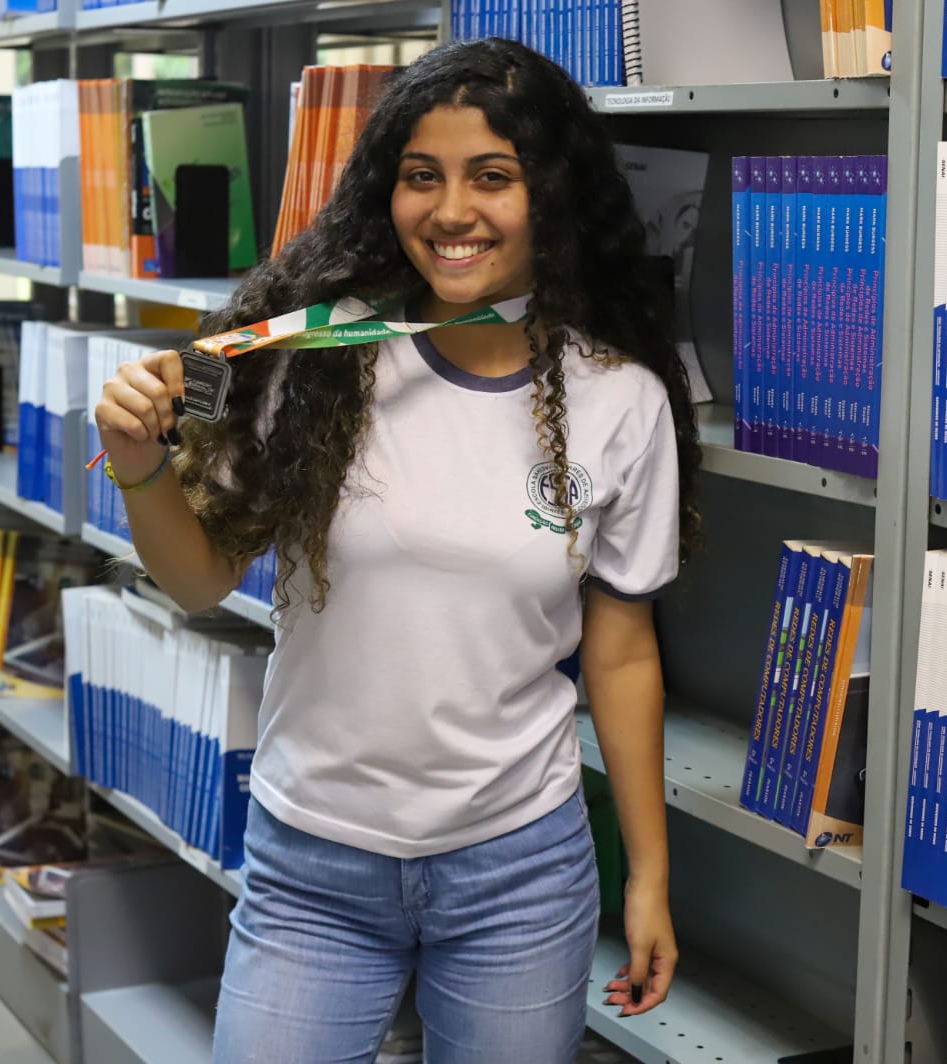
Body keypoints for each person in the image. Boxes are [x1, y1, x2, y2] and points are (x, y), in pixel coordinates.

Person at [90, 37, 703, 1064]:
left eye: (492, 177)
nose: (451, 211)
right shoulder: (311, 366)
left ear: (551, 195)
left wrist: (648, 876)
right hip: (313, 866)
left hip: (520, 868)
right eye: (422, 176)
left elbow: (622, 651)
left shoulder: (620, 402)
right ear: (387, 190)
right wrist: (138, 465)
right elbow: (196, 583)